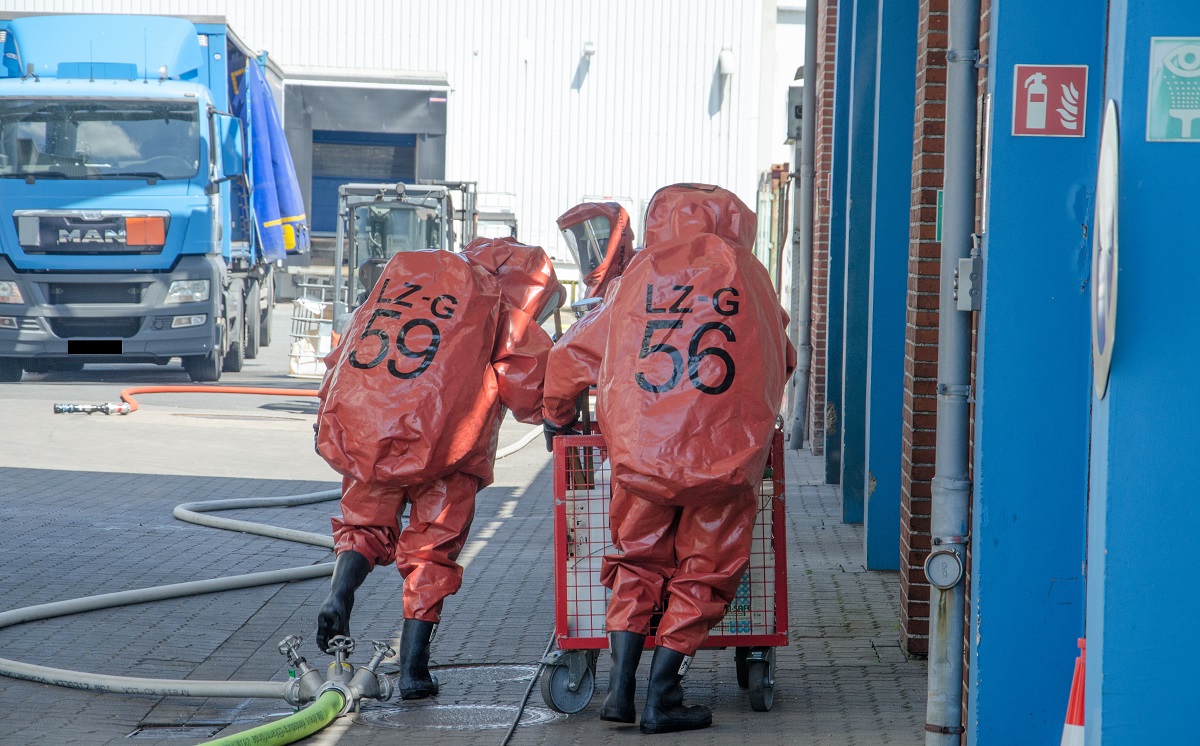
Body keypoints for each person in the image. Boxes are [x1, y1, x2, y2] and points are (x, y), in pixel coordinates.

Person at [542, 183, 795, 733]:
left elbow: (572, 354)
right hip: (722, 461)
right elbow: (785, 352)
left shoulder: (638, 276)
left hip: (644, 457)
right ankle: (664, 695)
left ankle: (620, 689)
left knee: (636, 562)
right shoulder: (751, 277)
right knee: (704, 573)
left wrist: (557, 419)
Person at [314, 236, 563, 699]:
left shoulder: (411, 286)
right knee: (431, 553)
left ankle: (340, 593)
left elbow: (343, 353)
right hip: (449, 449)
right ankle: (412, 670)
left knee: (363, 526)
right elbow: (528, 389)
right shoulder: (502, 308)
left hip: (374, 429)